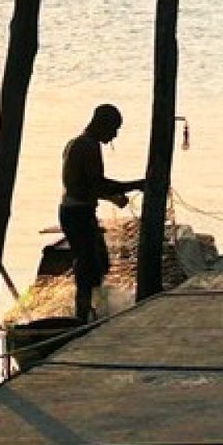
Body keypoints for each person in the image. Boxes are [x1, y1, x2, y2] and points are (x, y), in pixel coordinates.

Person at [60, 104, 144, 322]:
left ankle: (90, 309)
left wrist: (113, 197)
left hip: (76, 209)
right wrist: (135, 184)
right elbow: (98, 184)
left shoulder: (76, 143)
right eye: (114, 129)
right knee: (87, 267)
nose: (114, 135)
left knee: (100, 264)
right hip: (77, 214)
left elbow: (83, 184)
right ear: (102, 124)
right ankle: (82, 315)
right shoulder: (88, 146)